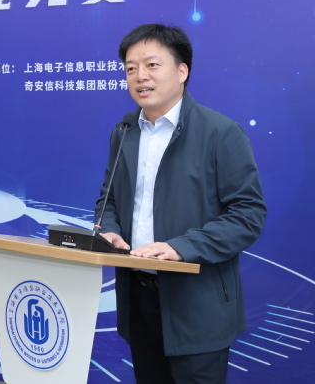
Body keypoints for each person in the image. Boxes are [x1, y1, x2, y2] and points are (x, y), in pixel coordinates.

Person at [96, 23, 266, 384]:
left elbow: (247, 215)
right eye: (130, 68)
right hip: (137, 296)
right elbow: (108, 198)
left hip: (196, 301)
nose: (140, 76)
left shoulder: (220, 132)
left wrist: (180, 248)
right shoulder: (124, 133)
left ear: (182, 71)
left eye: (152, 65)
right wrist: (108, 231)